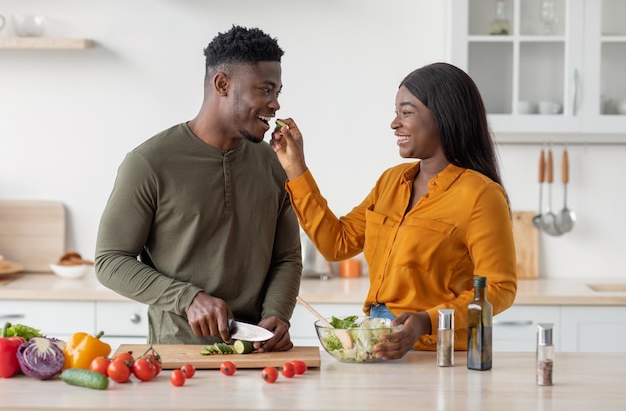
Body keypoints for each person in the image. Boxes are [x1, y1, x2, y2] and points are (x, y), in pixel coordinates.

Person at [270, 62, 517, 360]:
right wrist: (296, 167)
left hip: (436, 353)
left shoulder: (481, 195)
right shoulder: (391, 181)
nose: (394, 123)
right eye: (396, 112)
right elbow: (336, 244)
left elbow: (499, 287)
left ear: (444, 116)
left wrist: (426, 321)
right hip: (377, 345)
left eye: (406, 112)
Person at [95, 25, 302, 352]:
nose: (275, 104)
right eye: (265, 90)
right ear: (222, 84)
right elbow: (110, 261)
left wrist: (278, 313)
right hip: (174, 356)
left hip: (258, 357)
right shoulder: (149, 162)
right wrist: (188, 298)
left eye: (277, 92)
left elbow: (287, 257)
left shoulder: (275, 162)